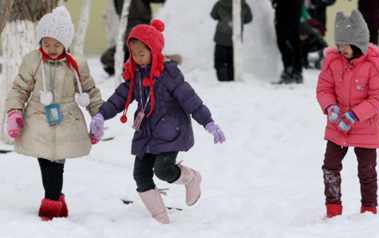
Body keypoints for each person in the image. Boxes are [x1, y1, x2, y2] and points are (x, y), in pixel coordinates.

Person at [90, 20, 226, 224]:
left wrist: (208, 123)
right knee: (141, 175)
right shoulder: (134, 74)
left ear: (153, 50)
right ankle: (160, 218)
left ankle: (191, 178)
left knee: (163, 170)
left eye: (141, 54)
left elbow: (190, 99)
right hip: (146, 132)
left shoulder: (169, 73)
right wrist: (101, 115)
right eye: (133, 54)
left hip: (171, 130)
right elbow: (120, 98)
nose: (137, 58)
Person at [4, 6, 103, 221]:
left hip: (66, 121)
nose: (51, 49)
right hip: (38, 120)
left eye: (57, 45)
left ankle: (50, 209)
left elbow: (90, 89)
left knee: (56, 166)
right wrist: (13, 111)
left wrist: (98, 115)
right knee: (45, 163)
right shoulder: (32, 60)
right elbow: (20, 88)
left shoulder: (76, 62)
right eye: (46, 44)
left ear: (66, 43)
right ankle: (58, 198)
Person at [316, 9, 379, 218]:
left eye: (347, 44)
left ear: (359, 43)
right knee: (330, 167)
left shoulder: (374, 66)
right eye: (340, 44)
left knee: (366, 172)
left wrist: (355, 115)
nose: (342, 48)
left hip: (365, 127)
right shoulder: (332, 62)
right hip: (337, 126)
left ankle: (369, 209)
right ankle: (333, 210)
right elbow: (324, 89)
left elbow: (378, 97)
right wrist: (330, 107)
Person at [101, 0, 165, 76]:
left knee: (135, 44)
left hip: (140, 21)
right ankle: (127, 67)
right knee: (110, 55)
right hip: (127, 23)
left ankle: (137, 67)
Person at [210, 0, 253, 82]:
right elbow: (248, 19)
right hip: (236, 40)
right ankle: (232, 82)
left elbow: (213, 15)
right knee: (233, 63)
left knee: (220, 62)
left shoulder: (220, 3)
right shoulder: (243, 5)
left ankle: (223, 81)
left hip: (221, 39)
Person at [271, 0, 304, 84]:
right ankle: (296, 72)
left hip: (286, 9)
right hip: (293, 9)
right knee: (293, 41)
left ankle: (289, 71)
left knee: (284, 41)